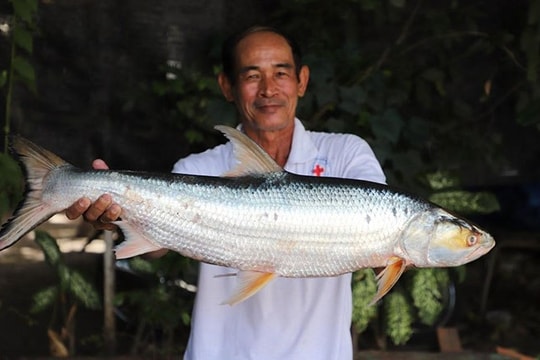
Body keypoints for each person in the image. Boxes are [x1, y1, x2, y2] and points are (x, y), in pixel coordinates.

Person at [66, 25, 386, 359]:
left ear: (302, 81)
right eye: (252, 76)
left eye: (281, 73)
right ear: (227, 86)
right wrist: (119, 217)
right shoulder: (196, 168)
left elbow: (383, 233)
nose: (268, 89)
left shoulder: (347, 154)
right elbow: (156, 247)